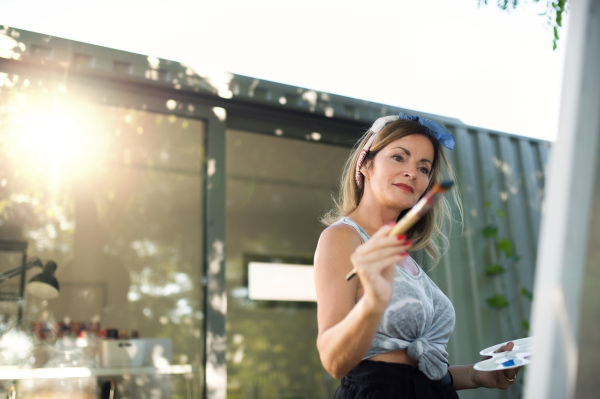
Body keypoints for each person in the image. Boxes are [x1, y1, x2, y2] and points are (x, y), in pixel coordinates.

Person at [314, 113, 521, 398]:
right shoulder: (342, 238)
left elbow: (416, 372)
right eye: (399, 158)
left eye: (424, 168)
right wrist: (373, 302)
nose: (413, 172)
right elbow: (334, 362)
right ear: (366, 164)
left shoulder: (405, 257)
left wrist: (475, 375)